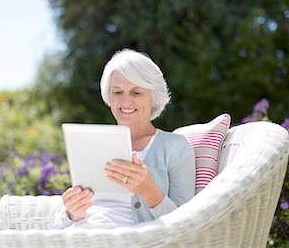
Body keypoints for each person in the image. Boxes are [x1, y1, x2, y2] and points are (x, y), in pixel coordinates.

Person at [52, 49, 195, 229]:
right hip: (79, 239)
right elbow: (57, 225)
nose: (125, 102)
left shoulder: (176, 147)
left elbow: (187, 227)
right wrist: (71, 213)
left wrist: (149, 191)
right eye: (118, 92)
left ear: (153, 97)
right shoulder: (94, 144)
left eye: (136, 93)